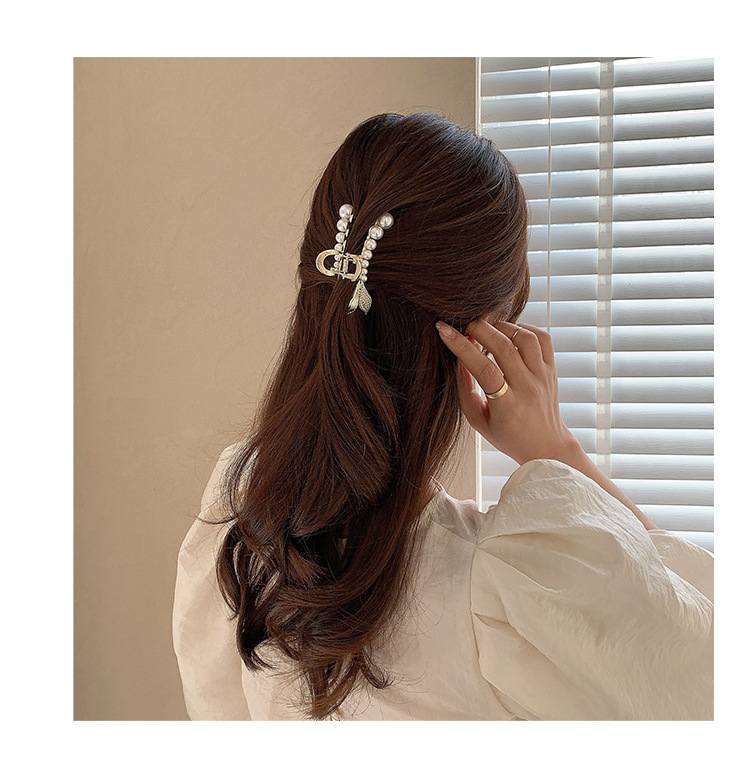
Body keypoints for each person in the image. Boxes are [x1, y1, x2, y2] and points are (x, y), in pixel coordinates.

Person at [172, 112, 713, 721]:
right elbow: (704, 661)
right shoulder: (520, 587)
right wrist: (557, 451)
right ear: (486, 334)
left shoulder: (243, 516)